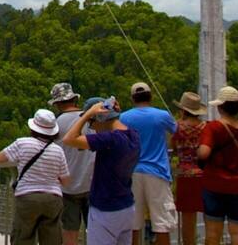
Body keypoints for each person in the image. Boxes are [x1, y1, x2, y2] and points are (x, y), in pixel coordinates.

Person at [64, 98, 141, 245]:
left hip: (105, 209)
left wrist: (88, 114)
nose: (91, 128)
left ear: (99, 117)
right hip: (126, 206)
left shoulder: (109, 140)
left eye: (91, 123)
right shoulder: (134, 136)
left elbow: (69, 139)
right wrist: (113, 112)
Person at [0, 108, 72, 245]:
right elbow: (66, 180)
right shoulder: (58, 150)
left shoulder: (23, 143)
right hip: (52, 198)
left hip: (27, 197)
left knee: (23, 236)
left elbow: (0, 158)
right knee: (52, 238)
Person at [196, 86, 238, 245]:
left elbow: (204, 153)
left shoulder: (213, 127)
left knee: (213, 235)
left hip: (215, 185)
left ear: (220, 107)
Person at [123, 82, 180, 245]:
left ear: (132, 98)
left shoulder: (124, 117)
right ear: (151, 96)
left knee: (133, 223)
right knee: (162, 223)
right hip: (157, 171)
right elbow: (177, 132)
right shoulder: (162, 116)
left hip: (132, 171)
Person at [53, 83, 95, 245]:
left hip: (67, 186)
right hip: (91, 183)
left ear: (57, 103)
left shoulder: (56, 124)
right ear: (75, 99)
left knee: (69, 232)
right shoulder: (90, 120)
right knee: (95, 231)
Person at [171, 93, 209, 245]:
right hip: (204, 175)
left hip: (184, 175)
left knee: (188, 219)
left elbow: (172, 147)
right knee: (210, 217)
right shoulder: (206, 127)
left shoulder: (177, 127)